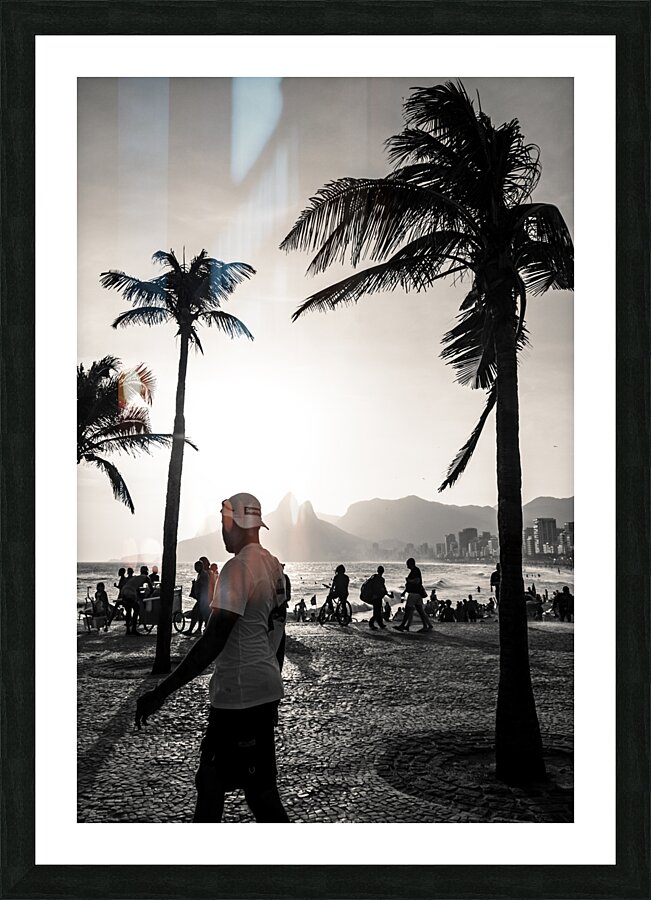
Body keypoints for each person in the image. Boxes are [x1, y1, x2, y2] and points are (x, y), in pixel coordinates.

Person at [135, 491, 289, 823]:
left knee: (229, 787)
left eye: (223, 522)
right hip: (260, 692)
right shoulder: (273, 566)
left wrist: (161, 692)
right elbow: (278, 633)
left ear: (235, 522)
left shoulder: (238, 567)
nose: (221, 530)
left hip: (239, 698)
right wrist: (272, 683)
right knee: (249, 788)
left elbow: (214, 639)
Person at [394, 558, 432, 633]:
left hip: (414, 594)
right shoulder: (415, 570)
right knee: (420, 610)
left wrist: (409, 580)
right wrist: (405, 592)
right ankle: (425, 626)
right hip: (417, 593)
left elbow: (417, 581)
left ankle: (402, 626)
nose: (407, 565)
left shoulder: (415, 571)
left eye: (408, 564)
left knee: (408, 609)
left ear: (411, 564)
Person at [121, 566, 152, 635]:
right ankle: (134, 630)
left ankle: (128, 630)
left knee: (128, 611)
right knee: (136, 608)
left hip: (124, 590)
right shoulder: (146, 578)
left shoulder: (136, 577)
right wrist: (147, 596)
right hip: (130, 592)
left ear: (141, 571)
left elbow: (136, 588)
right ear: (147, 571)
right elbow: (151, 589)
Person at [187, 560, 209, 636]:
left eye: (197, 567)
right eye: (195, 567)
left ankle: (195, 630)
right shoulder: (200, 575)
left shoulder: (203, 575)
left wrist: (196, 584)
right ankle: (197, 630)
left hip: (203, 598)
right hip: (201, 598)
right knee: (199, 614)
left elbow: (204, 586)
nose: (195, 569)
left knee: (196, 613)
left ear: (201, 567)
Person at [368, 566, 391, 630]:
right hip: (377, 597)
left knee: (378, 610)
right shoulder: (381, 579)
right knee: (377, 611)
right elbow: (383, 588)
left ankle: (380, 624)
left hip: (374, 596)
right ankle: (371, 623)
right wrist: (388, 594)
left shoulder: (374, 578)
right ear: (383, 572)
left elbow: (376, 588)